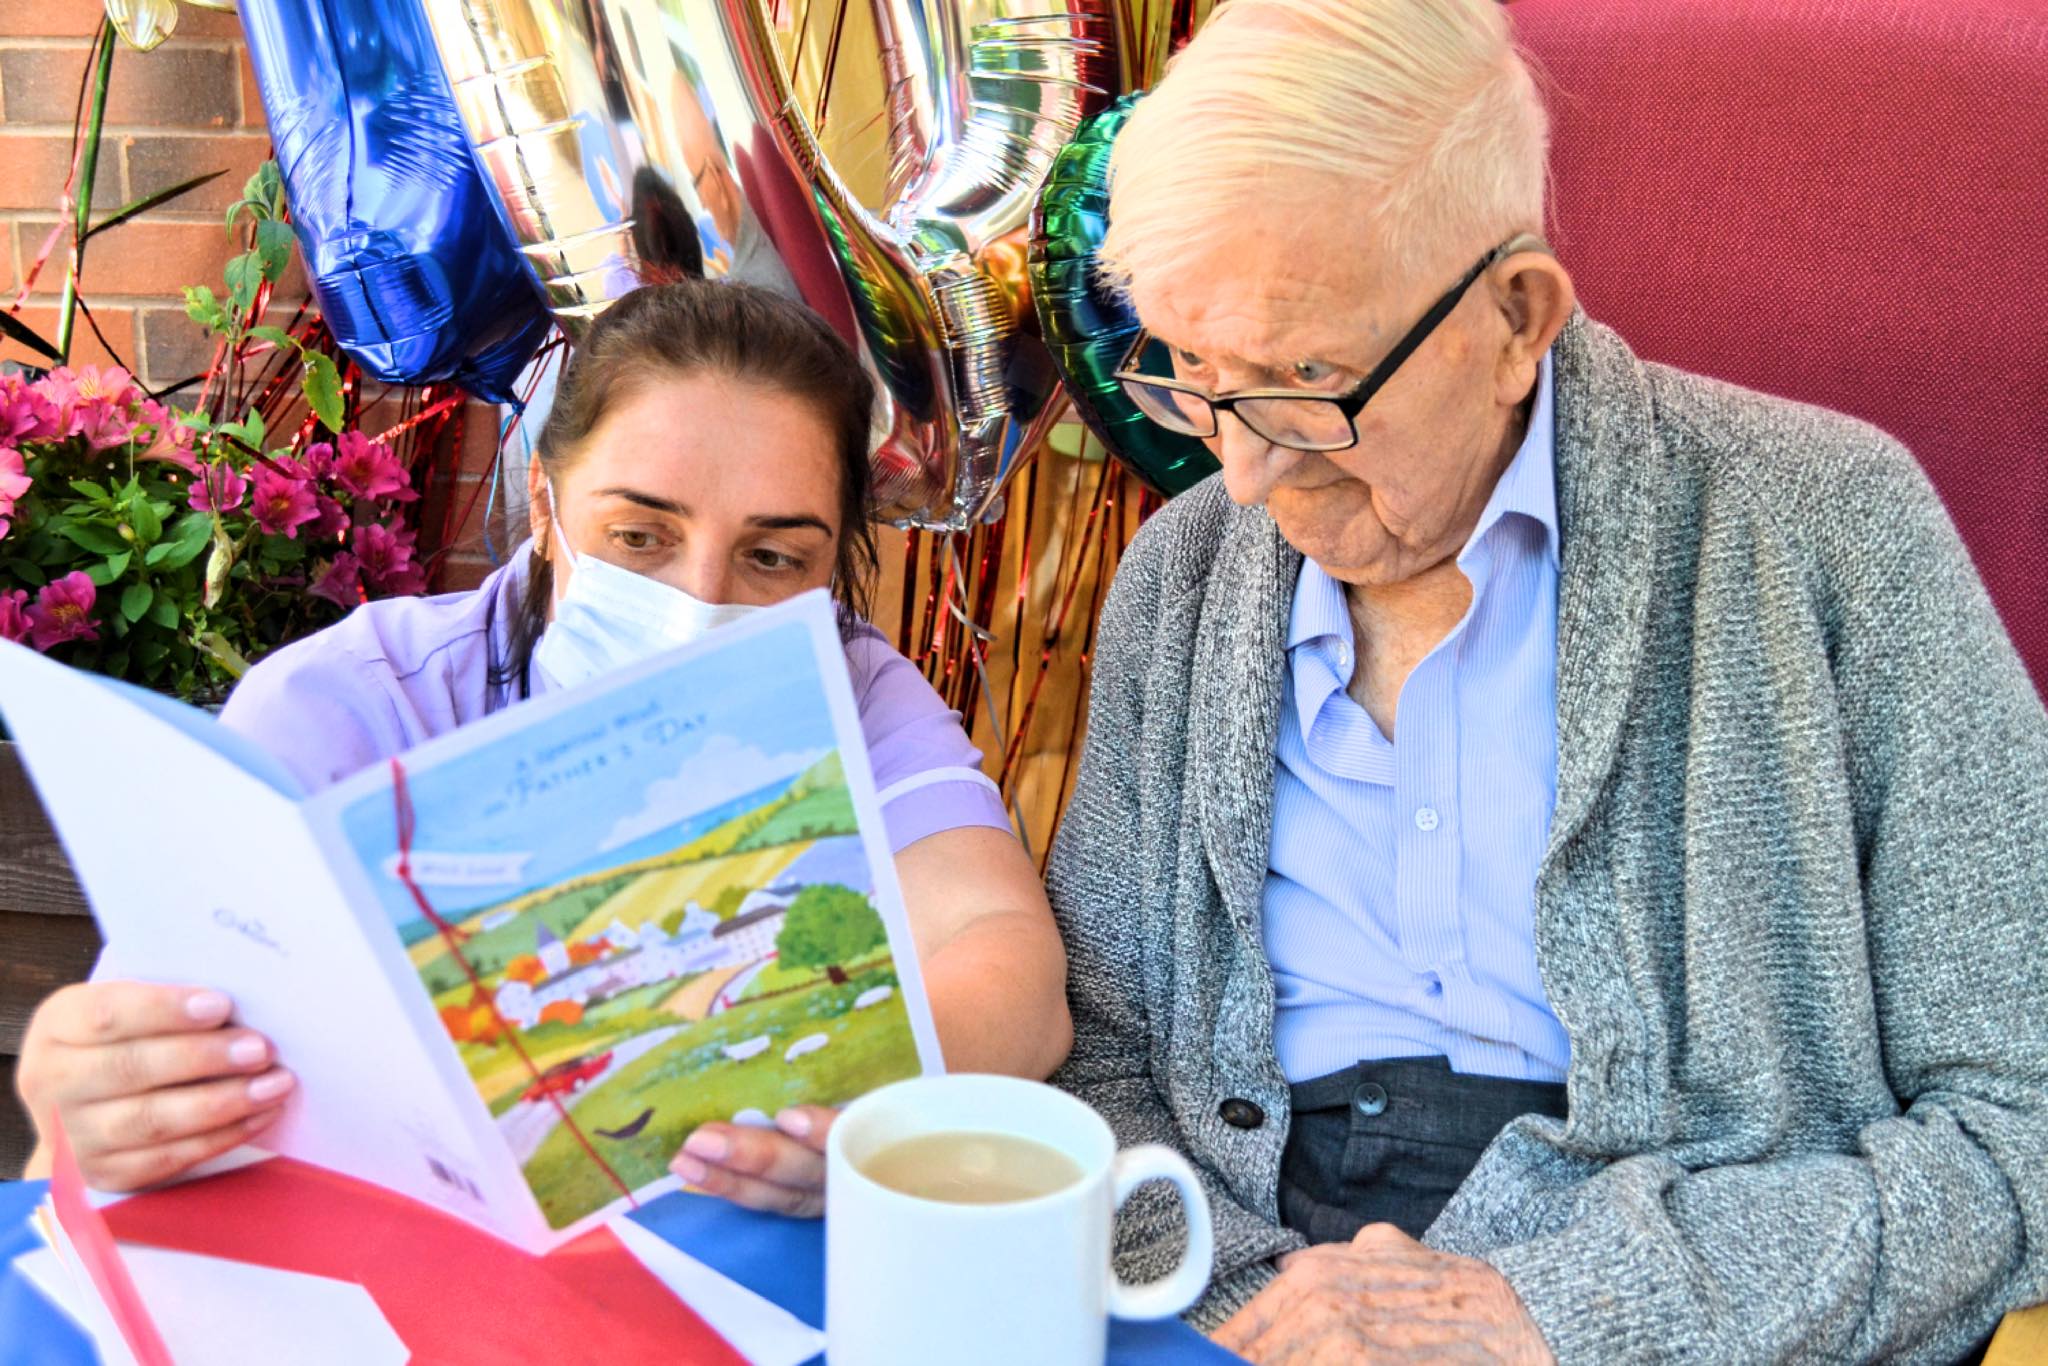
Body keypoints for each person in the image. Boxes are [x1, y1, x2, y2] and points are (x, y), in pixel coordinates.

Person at [1045, 0, 2048, 1360]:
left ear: (1516, 318)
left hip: (1697, 1302)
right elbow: (1097, 1064)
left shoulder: (1829, 528)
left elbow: (2020, 1125)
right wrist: (1257, 1315)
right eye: (1193, 375)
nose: (1245, 472)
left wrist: (1564, 1313)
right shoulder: (1182, 574)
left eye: (1305, 379)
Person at [17, 280, 1071, 1215]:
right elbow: (139, 1054)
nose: (699, 597)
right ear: (543, 503)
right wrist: (98, 1090)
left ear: (834, 564)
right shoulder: (348, 703)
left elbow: (1008, 968)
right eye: (640, 536)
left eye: (771, 557)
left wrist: (848, 1101)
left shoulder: (858, 690)